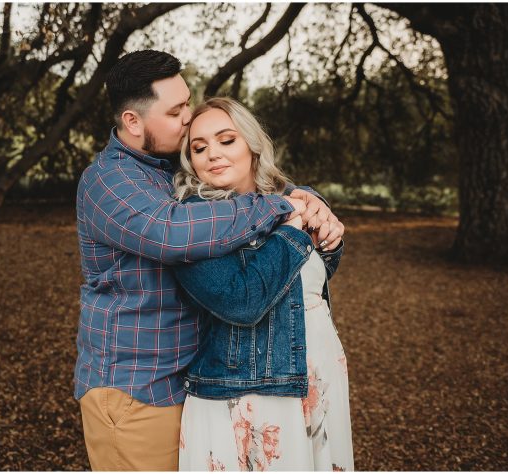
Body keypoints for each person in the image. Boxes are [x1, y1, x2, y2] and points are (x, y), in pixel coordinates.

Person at [74, 50, 344, 471]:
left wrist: (310, 201)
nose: (188, 118)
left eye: (188, 103)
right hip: (136, 391)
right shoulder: (108, 182)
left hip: (189, 380)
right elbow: (173, 230)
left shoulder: (164, 171)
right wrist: (283, 209)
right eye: (177, 110)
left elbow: (249, 194)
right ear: (133, 122)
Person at [172, 97, 352, 471]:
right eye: (199, 147)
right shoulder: (194, 221)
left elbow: (304, 288)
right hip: (245, 395)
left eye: (226, 140)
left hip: (316, 375)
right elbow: (241, 302)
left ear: (252, 144)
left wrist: (328, 235)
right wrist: (294, 230)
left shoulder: (289, 202)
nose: (212, 154)